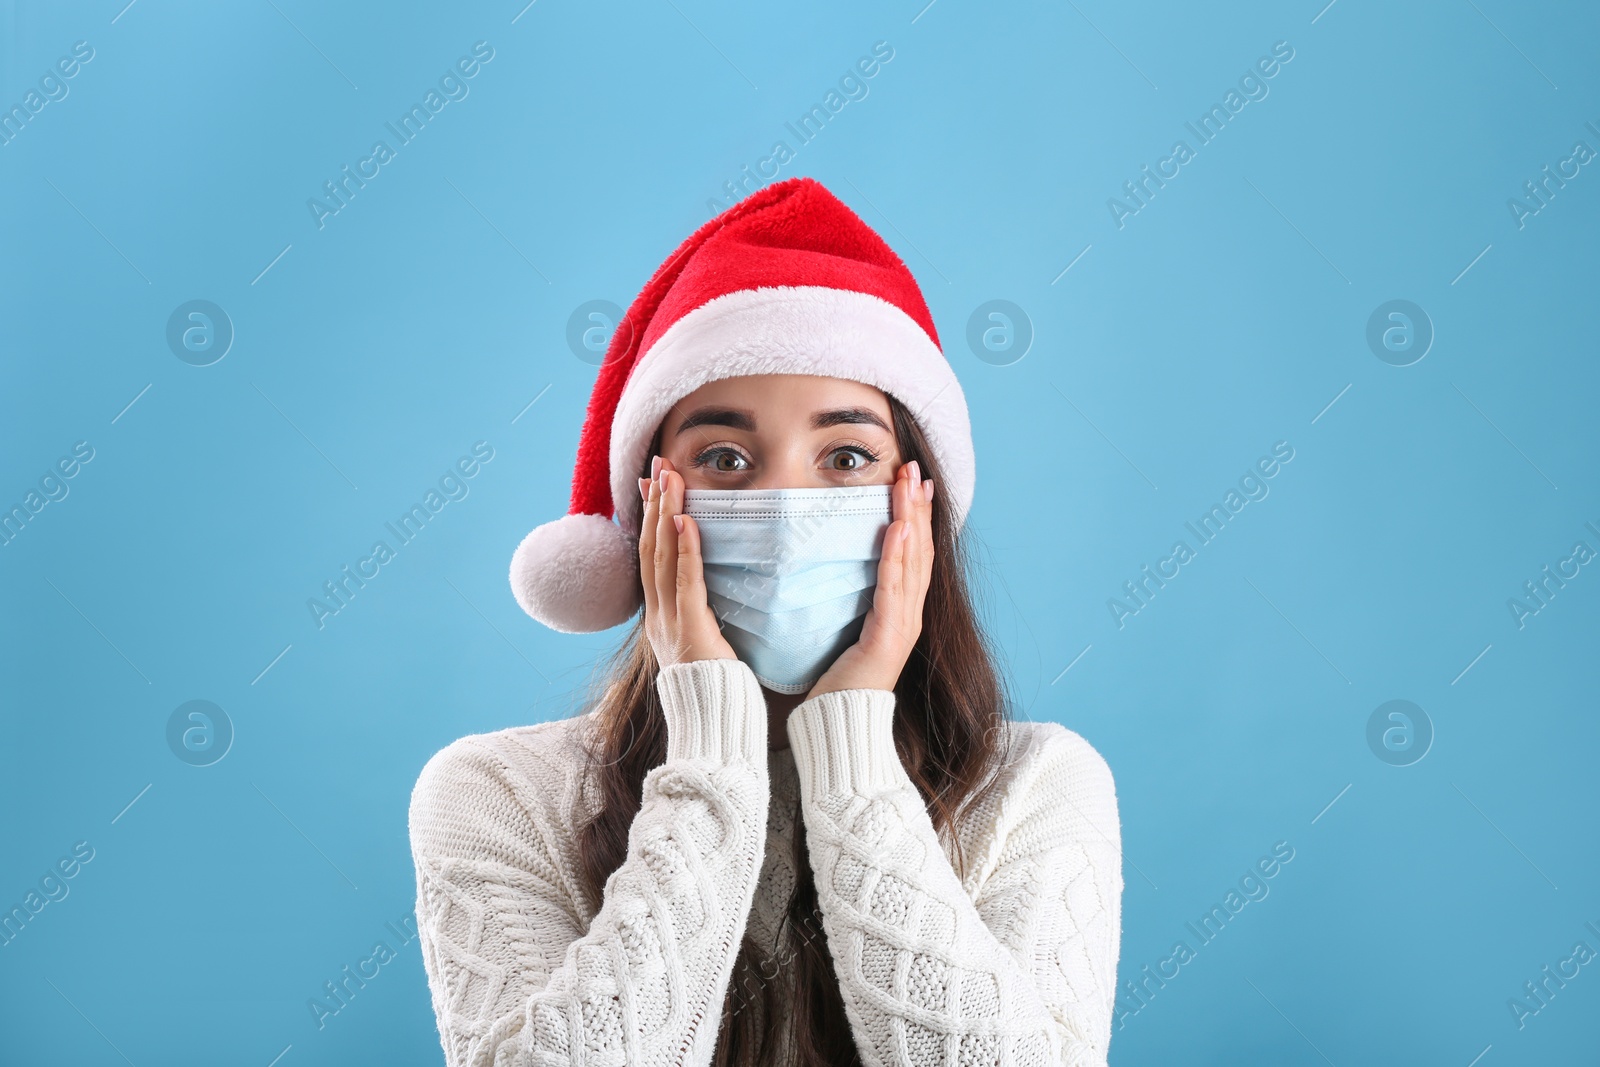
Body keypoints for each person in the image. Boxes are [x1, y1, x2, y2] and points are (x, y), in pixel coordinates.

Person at [407, 176, 1123, 1067]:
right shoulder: (495, 794)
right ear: (645, 507)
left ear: (921, 505)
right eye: (726, 456)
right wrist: (709, 747)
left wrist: (854, 756)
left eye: (848, 455)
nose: (786, 507)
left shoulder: (1035, 788)